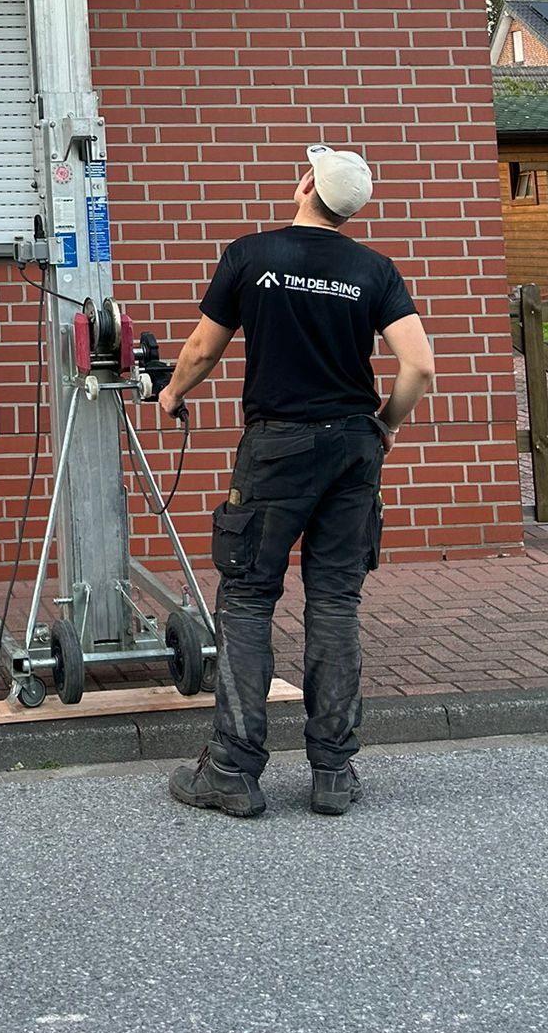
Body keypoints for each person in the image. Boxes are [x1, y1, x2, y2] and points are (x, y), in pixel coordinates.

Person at [158, 143, 435, 818]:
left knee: (249, 600)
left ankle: (231, 770)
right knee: (335, 604)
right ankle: (334, 773)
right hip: (352, 449)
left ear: (307, 184)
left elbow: (203, 348)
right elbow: (419, 366)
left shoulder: (252, 256)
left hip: (277, 448)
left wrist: (171, 394)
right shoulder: (375, 270)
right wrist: (387, 424)